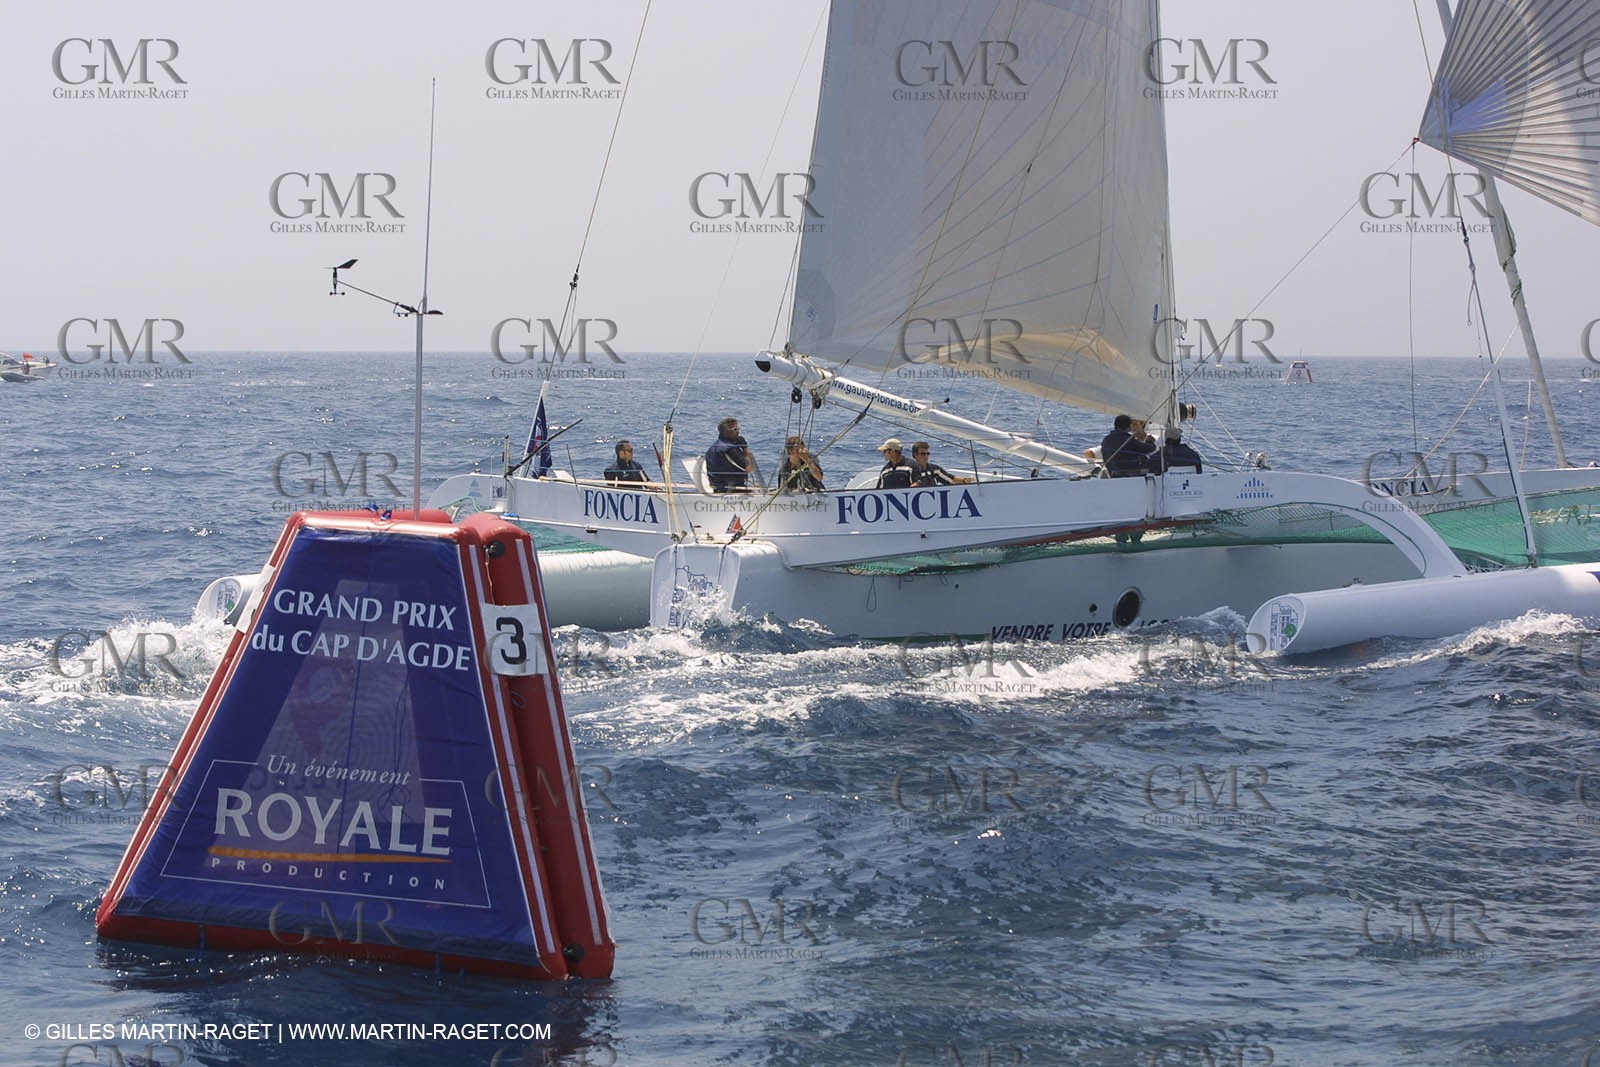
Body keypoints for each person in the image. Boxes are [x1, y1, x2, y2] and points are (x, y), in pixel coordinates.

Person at [705, 417, 752, 492]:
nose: (738, 432)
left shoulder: (714, 447)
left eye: (738, 429)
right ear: (726, 432)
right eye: (735, 429)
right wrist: (745, 447)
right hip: (732, 490)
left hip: (717, 487)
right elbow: (749, 468)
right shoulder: (730, 449)